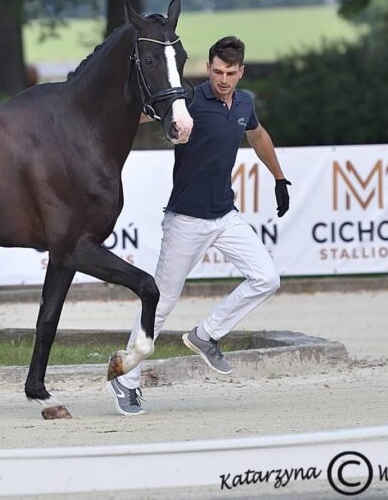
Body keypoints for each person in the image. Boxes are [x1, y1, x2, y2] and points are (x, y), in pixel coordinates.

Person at [107, 36, 291, 416]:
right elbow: (137, 116)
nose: (223, 79)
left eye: (230, 73)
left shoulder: (244, 102)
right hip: (186, 220)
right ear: (208, 69)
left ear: (241, 72)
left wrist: (279, 178)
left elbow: (256, 135)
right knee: (160, 301)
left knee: (267, 278)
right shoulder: (188, 101)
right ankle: (126, 379)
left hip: (225, 215)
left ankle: (206, 335)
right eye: (217, 71)